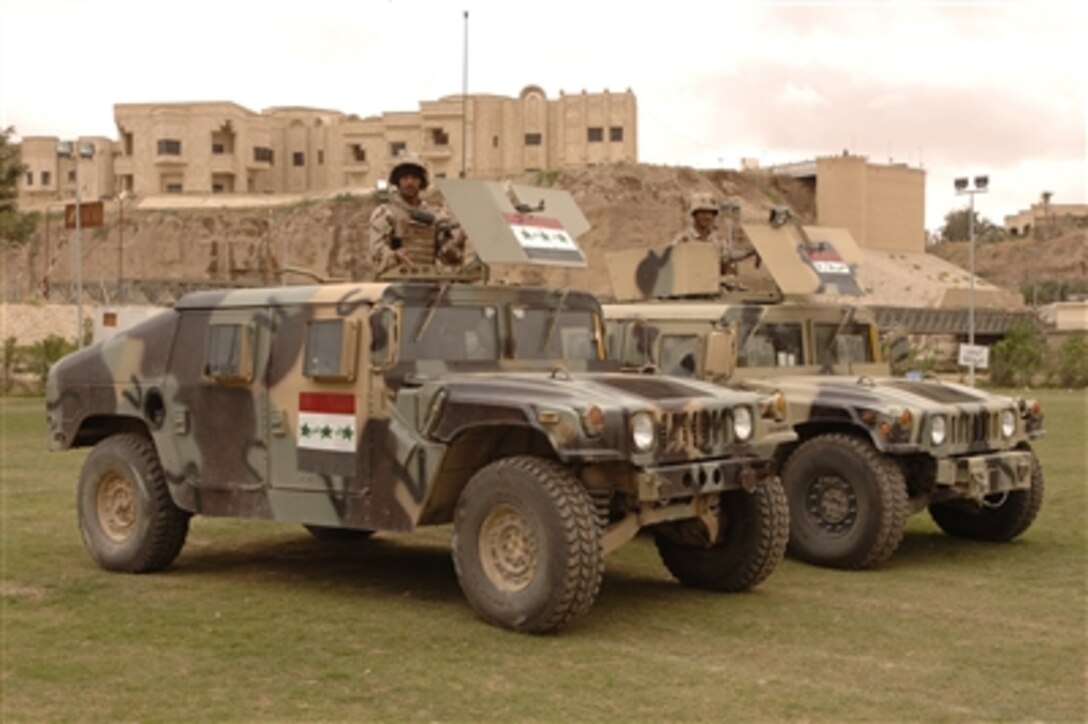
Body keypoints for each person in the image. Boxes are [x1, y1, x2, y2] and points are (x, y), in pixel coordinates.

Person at [369, 154, 466, 277]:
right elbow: (376, 254)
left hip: (425, 283)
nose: (410, 182)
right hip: (393, 284)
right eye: (405, 177)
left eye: (414, 178)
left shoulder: (434, 215)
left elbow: (449, 259)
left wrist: (459, 241)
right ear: (397, 181)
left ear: (421, 182)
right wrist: (394, 256)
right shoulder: (385, 214)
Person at [671, 192, 757, 276]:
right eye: (703, 212)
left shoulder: (717, 240)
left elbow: (728, 256)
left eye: (710, 213)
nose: (707, 217)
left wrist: (750, 252)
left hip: (712, 286)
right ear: (694, 214)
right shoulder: (683, 240)